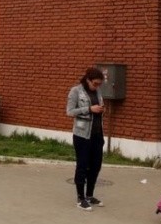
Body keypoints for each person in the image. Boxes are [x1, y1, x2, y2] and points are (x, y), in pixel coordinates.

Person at [66, 67, 106, 212]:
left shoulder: (98, 91)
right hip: (82, 136)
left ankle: (89, 195)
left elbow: (98, 107)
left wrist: (101, 109)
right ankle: (80, 198)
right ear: (88, 80)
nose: (97, 87)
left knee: (95, 166)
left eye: (99, 84)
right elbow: (69, 112)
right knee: (82, 166)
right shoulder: (75, 91)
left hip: (97, 134)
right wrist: (89, 109)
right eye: (95, 83)